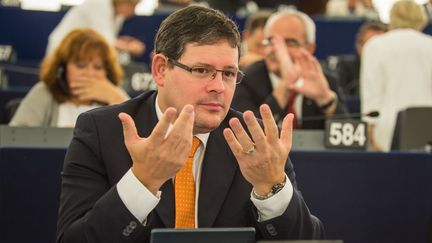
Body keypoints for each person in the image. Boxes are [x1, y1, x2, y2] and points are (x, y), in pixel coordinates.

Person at [56, 5, 323, 243]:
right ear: (160, 69)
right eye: (201, 70)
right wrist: (143, 182)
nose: (218, 87)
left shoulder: (256, 142)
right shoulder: (101, 131)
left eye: (229, 73)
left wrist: (272, 188)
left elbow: (309, 240)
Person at [232, 9, 348, 129]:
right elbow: (243, 136)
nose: (278, 50)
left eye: (290, 42)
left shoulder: (325, 80)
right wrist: (285, 87)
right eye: (271, 41)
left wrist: (325, 99)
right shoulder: (245, 80)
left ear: (309, 48)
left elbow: (349, 141)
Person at [9, 28, 128, 127]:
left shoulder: (115, 96)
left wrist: (116, 98)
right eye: (81, 65)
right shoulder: (44, 92)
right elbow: (15, 139)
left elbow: (140, 139)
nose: (90, 73)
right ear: (63, 68)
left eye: (97, 67)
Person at [360, 0, 432, 151]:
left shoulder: (375, 46)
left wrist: (370, 132)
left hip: (386, 128)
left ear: (392, 17)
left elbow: (371, 94)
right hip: (427, 125)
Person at [46, 0, 145, 57]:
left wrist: (123, 43)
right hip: (62, 51)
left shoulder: (118, 16)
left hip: (80, 54)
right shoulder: (99, 4)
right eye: (133, 6)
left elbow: (109, 41)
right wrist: (129, 47)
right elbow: (105, 41)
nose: (133, 12)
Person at [331, 21, 387, 97]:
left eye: (382, 46)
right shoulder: (345, 67)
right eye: (371, 45)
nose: (376, 51)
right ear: (359, 47)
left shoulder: (393, 69)